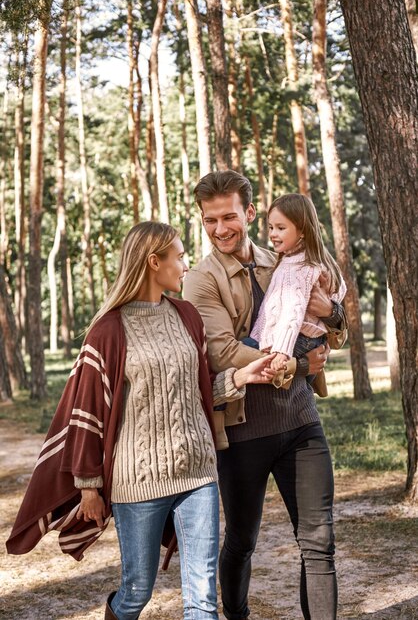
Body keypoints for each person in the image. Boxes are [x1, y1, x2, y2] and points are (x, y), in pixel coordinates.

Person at [7, 221, 278, 620]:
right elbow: (87, 412)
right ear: (154, 262)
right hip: (139, 482)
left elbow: (199, 390)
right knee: (137, 591)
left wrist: (241, 376)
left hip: (199, 473)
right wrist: (88, 487)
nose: (186, 265)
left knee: (202, 597)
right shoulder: (108, 330)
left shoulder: (187, 316)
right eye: (180, 256)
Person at [183, 171, 348, 620]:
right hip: (242, 432)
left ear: (249, 213)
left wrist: (330, 312)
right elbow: (224, 354)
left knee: (319, 542)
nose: (221, 229)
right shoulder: (200, 280)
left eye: (229, 216)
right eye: (210, 220)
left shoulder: (284, 255)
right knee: (241, 539)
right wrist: (300, 359)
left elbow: (335, 324)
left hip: (300, 422)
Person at [248, 193, 347, 388]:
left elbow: (292, 314)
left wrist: (282, 352)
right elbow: (341, 289)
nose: (273, 234)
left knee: (241, 353)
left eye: (281, 228)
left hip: (297, 343)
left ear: (302, 231)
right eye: (271, 227)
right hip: (306, 342)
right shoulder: (304, 259)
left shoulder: (300, 267)